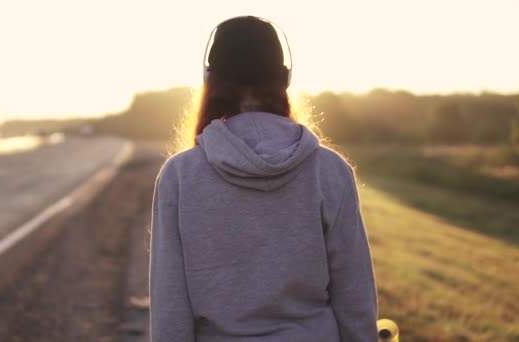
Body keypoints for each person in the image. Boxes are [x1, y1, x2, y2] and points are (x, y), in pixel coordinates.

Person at [149, 15, 378, 341]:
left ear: (209, 79)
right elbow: (355, 298)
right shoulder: (330, 171)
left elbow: (171, 308)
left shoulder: (180, 176)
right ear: (284, 79)